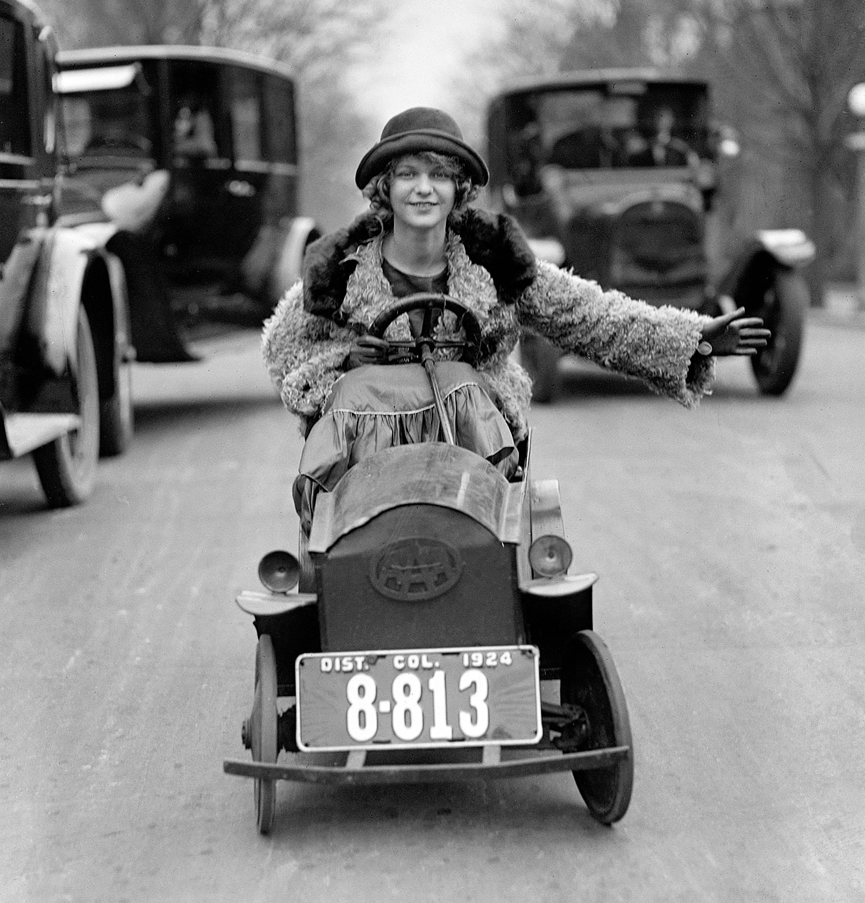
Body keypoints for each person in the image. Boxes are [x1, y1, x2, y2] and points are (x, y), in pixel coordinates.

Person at [262, 107, 767, 528]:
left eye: (439, 175)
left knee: (468, 390)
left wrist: (692, 339)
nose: (424, 189)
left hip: (472, 442)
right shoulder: (336, 272)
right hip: (365, 462)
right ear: (384, 188)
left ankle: (490, 560)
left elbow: (589, 315)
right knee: (351, 402)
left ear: (458, 189)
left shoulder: (496, 260)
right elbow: (284, 353)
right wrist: (346, 362)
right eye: (408, 174)